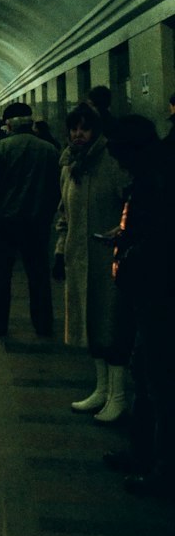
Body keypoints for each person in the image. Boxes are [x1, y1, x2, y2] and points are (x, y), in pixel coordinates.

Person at [100, 115, 175, 496]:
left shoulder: (157, 177)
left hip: (160, 294)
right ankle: (144, 454)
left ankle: (163, 469)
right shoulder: (154, 170)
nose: (115, 160)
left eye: (117, 151)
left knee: (160, 381)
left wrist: (128, 258)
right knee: (145, 373)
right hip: (151, 292)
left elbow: (162, 239)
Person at [53, 106, 129, 420]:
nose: (78, 135)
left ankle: (119, 395)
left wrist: (123, 234)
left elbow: (131, 205)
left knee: (112, 326)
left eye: (84, 129)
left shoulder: (112, 164)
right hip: (79, 258)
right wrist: (60, 250)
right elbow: (64, 215)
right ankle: (100, 390)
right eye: (74, 129)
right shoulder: (70, 167)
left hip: (108, 260)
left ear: (96, 131)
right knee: (91, 325)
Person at [0, 102, 62, 337]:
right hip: (37, 224)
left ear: (9, 124)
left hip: (4, 223)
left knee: (1, 275)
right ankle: (43, 324)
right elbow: (58, 188)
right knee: (38, 275)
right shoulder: (50, 150)